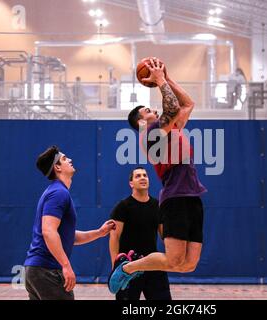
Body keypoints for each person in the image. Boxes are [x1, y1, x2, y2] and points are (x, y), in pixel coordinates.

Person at [108, 58, 207, 294]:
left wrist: (166, 76)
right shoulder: (150, 134)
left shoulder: (168, 128)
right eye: (147, 110)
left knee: (188, 264)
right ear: (142, 120)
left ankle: (134, 266)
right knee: (173, 261)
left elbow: (187, 104)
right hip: (175, 198)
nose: (153, 110)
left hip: (192, 196)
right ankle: (128, 268)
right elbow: (172, 108)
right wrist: (160, 81)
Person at [24, 145, 116, 300]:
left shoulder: (57, 191)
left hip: (37, 270)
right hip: (47, 271)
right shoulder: (58, 193)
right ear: (57, 167)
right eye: (65, 158)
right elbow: (48, 231)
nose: (70, 160)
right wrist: (66, 266)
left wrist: (99, 233)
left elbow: (68, 237)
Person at [109, 167, 172, 300]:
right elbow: (114, 237)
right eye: (138, 176)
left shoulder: (158, 205)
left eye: (145, 175)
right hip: (129, 267)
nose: (143, 178)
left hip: (154, 264)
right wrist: (116, 267)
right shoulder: (123, 207)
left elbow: (164, 235)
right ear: (131, 183)